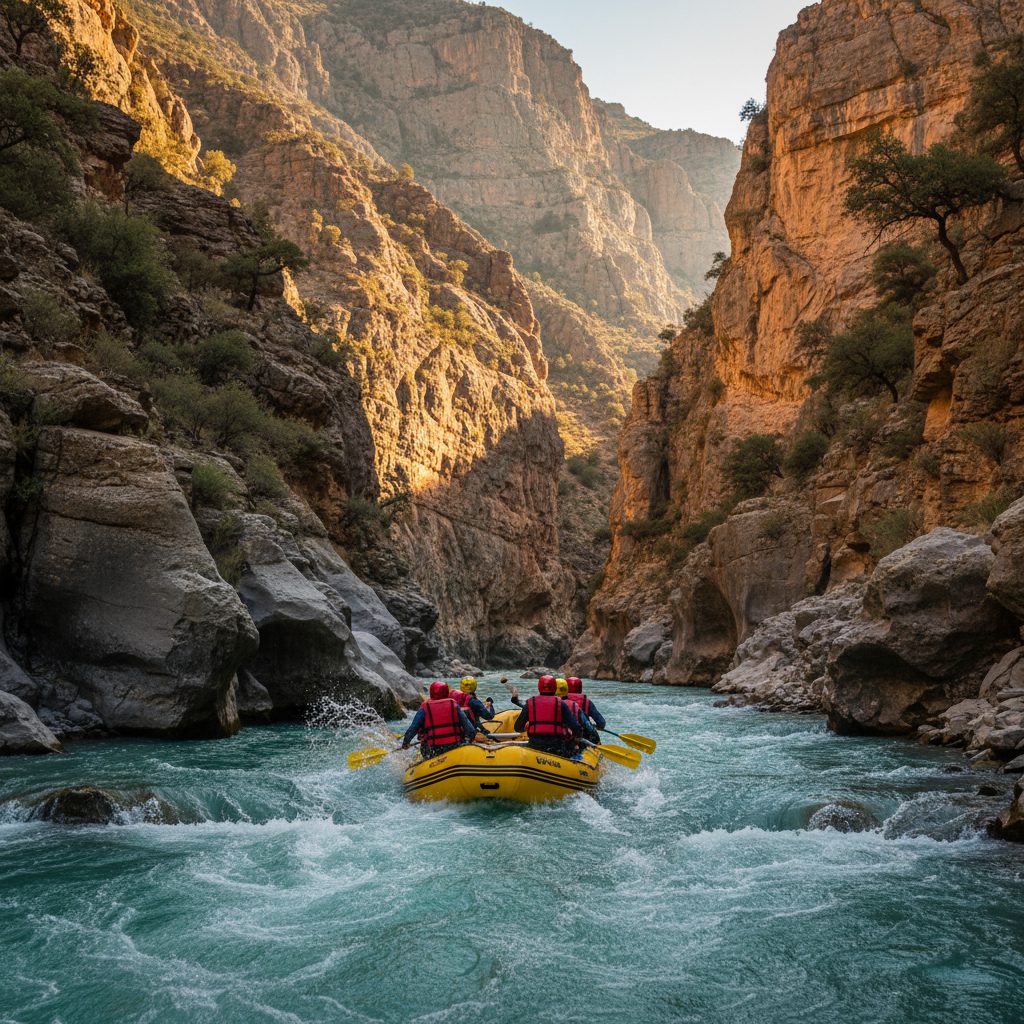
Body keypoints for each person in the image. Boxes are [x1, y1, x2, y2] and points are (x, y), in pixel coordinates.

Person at [401, 681, 475, 759]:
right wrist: (467, 742)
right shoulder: (454, 705)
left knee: (425, 744)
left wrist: (405, 743)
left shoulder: (424, 708)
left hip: (433, 749)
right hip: (455, 745)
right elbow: (471, 730)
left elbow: (413, 729)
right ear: (446, 692)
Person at [513, 675, 581, 758]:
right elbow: (576, 727)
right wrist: (575, 739)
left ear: (539, 687)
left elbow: (517, 727)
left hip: (534, 745)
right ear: (554, 688)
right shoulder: (561, 704)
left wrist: (529, 726)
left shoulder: (530, 703)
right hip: (556, 747)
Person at [564, 677, 605, 743]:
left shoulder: (560, 701)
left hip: (566, 736)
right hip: (585, 735)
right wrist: (597, 726)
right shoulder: (587, 702)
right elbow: (601, 722)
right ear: (580, 688)